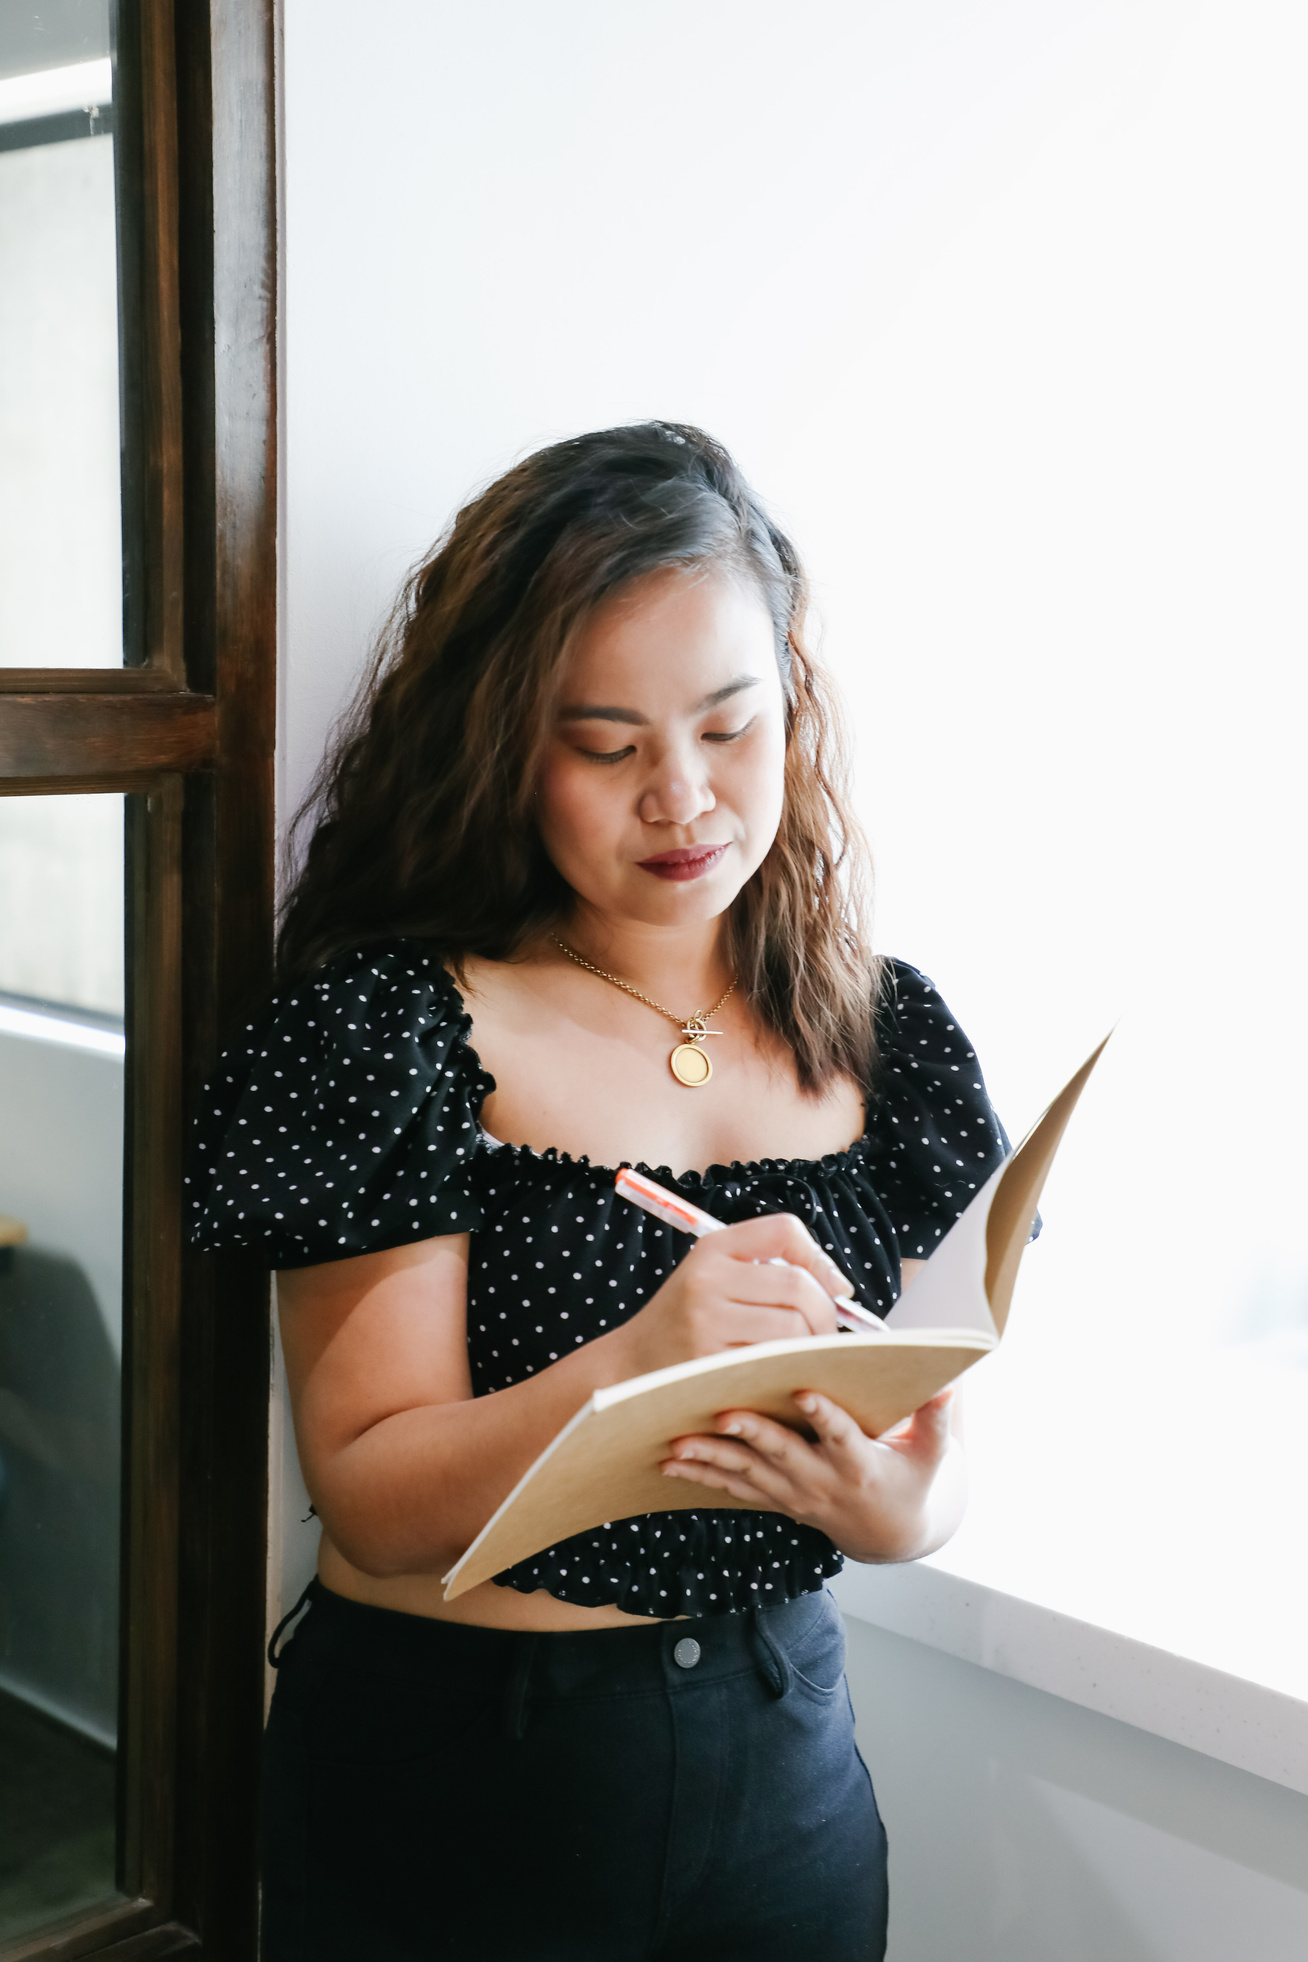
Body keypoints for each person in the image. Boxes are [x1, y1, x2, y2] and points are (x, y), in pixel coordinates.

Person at [188, 422, 1013, 1961]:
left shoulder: (880, 1029)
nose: (683, 798)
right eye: (607, 743)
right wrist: (640, 1357)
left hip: (788, 1762)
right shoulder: (395, 1027)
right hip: (463, 1780)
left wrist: (907, 1507)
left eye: (729, 725)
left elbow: (937, 1433)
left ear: (793, 708)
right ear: (508, 742)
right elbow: (369, 1488)